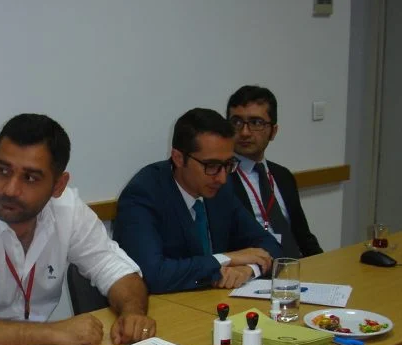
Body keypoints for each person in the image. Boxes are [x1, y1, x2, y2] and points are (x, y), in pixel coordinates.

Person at [0, 113, 156, 345]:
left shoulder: (67, 209)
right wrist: (51, 332)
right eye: (3, 170)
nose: (10, 189)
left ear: (58, 185)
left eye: (29, 178)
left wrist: (132, 312)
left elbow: (114, 268)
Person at [114, 108, 282, 294]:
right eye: (211, 165)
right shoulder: (143, 194)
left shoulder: (220, 189)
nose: (222, 178)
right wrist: (226, 259)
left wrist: (249, 269)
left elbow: (269, 244)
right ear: (178, 158)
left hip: (215, 300)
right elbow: (153, 275)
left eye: (228, 164)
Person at [227, 85, 323, 258]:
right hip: (254, 268)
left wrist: (322, 264)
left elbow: (303, 236)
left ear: (273, 131)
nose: (245, 132)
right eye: (237, 122)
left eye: (256, 123)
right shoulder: (219, 178)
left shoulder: (283, 175)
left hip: (296, 266)